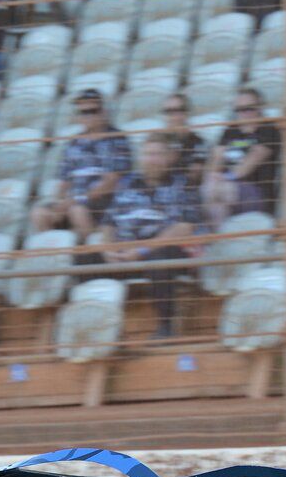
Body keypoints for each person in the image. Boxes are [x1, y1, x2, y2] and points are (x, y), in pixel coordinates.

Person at [83, 132, 202, 337]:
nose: (151, 160)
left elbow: (185, 228)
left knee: (161, 259)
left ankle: (165, 328)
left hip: (161, 252)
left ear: (169, 157)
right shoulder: (127, 183)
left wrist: (142, 250)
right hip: (123, 254)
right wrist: (108, 248)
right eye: (147, 154)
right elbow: (109, 223)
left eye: (157, 154)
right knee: (83, 260)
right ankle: (95, 329)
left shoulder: (185, 185)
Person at [31, 89, 132, 234]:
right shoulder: (73, 143)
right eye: (82, 112)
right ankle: (52, 246)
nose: (87, 116)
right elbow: (64, 182)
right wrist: (60, 203)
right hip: (73, 203)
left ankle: (88, 247)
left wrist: (77, 200)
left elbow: (111, 182)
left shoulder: (117, 140)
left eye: (92, 111)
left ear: (104, 112)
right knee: (39, 213)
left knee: (77, 211)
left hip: (103, 202)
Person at [204, 87, 280, 224]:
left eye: (249, 109)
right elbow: (216, 158)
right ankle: (222, 234)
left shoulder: (269, 129)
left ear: (260, 107)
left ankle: (221, 233)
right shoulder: (231, 130)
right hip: (225, 188)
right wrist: (214, 175)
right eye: (239, 110)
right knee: (212, 192)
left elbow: (253, 159)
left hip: (257, 191)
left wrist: (227, 177)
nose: (244, 114)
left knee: (217, 190)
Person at [159, 93, 209, 184]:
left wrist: (175, 158)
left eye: (175, 110)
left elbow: (195, 176)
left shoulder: (199, 142)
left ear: (186, 113)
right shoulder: (159, 141)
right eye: (167, 111)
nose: (170, 116)